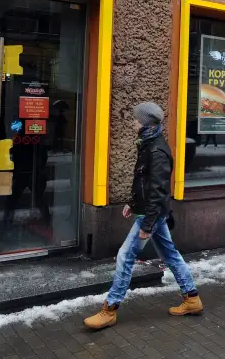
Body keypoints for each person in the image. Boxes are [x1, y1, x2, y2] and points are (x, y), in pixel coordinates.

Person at [84, 102, 203, 330]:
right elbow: (144, 182)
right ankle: (192, 299)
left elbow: (158, 191)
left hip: (151, 214)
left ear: (146, 122)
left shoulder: (156, 150)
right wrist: (132, 202)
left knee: (125, 256)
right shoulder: (148, 144)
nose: (132, 122)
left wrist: (147, 224)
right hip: (150, 211)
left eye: (136, 119)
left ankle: (110, 309)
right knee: (170, 255)